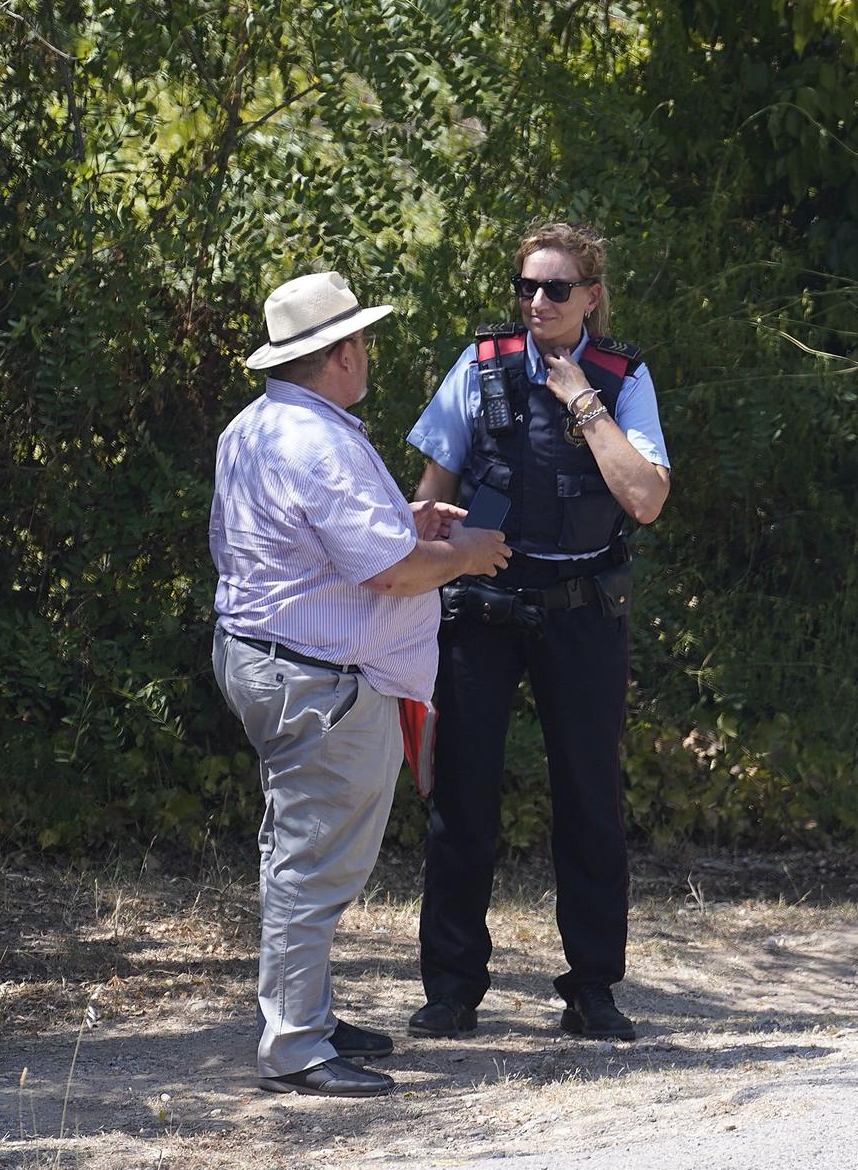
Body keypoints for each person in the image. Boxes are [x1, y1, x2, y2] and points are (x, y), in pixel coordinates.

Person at [210, 270, 511, 1097]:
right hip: (320, 682)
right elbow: (390, 574)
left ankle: (303, 1010)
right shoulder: (320, 441)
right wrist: (466, 554)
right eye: (363, 340)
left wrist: (410, 529)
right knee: (316, 863)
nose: (367, 352)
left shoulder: (259, 426)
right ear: (341, 353)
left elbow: (315, 546)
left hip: (273, 662)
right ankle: (297, 1045)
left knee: (297, 851)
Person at [406, 222, 671, 1042]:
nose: (537, 302)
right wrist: (419, 575)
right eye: (526, 286)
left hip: (582, 607)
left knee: (590, 800)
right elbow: (433, 489)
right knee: (463, 800)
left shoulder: (623, 378)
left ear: (590, 295)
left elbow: (647, 498)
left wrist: (580, 401)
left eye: (556, 288)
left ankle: (592, 989)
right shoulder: (479, 364)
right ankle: (452, 989)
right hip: (482, 603)